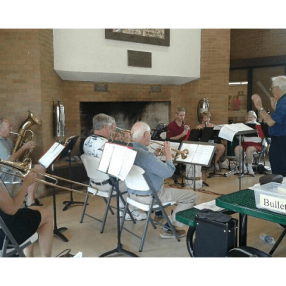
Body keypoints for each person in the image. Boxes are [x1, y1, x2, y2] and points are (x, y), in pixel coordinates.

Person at [129, 121, 198, 239]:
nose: (150, 136)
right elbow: (168, 172)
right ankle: (170, 227)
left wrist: (154, 155)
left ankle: (164, 217)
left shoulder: (129, 149)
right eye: (150, 133)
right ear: (145, 134)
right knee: (192, 196)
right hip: (152, 196)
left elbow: (145, 164)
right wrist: (168, 155)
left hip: (133, 195)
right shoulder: (146, 155)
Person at [83, 113, 146, 221]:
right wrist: (126, 143)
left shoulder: (87, 140)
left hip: (94, 183)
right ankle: (132, 211)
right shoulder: (106, 145)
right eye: (112, 127)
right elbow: (122, 164)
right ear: (105, 127)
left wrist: (116, 142)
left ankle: (123, 209)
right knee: (137, 178)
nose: (114, 130)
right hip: (109, 184)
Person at [0, 172, 53, 258]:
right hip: (4, 237)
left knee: (30, 212)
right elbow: (12, 209)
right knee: (46, 215)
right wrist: (25, 184)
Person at [0, 117, 45, 207]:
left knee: (41, 167)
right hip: (5, 172)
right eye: (9, 127)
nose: (11, 129)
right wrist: (24, 148)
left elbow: (15, 153)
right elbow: (9, 161)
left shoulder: (6, 139)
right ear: (1, 128)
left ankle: (30, 197)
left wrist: (28, 150)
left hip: (13, 168)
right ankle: (30, 202)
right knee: (32, 173)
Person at [252, 75, 286, 177]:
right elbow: (281, 119)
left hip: (281, 141)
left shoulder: (284, 102)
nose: (271, 91)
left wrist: (260, 108)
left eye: (272, 88)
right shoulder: (282, 102)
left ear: (277, 89)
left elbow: (271, 122)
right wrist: (274, 108)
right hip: (282, 140)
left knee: (279, 172)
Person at [234, 111, 264, 177]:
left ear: (255, 118)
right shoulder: (244, 126)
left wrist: (256, 131)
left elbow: (262, 137)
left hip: (256, 144)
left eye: (251, 117)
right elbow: (241, 138)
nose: (250, 119)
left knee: (249, 149)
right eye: (248, 117)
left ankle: (250, 169)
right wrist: (238, 135)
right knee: (237, 149)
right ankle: (243, 168)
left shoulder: (258, 125)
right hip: (245, 144)